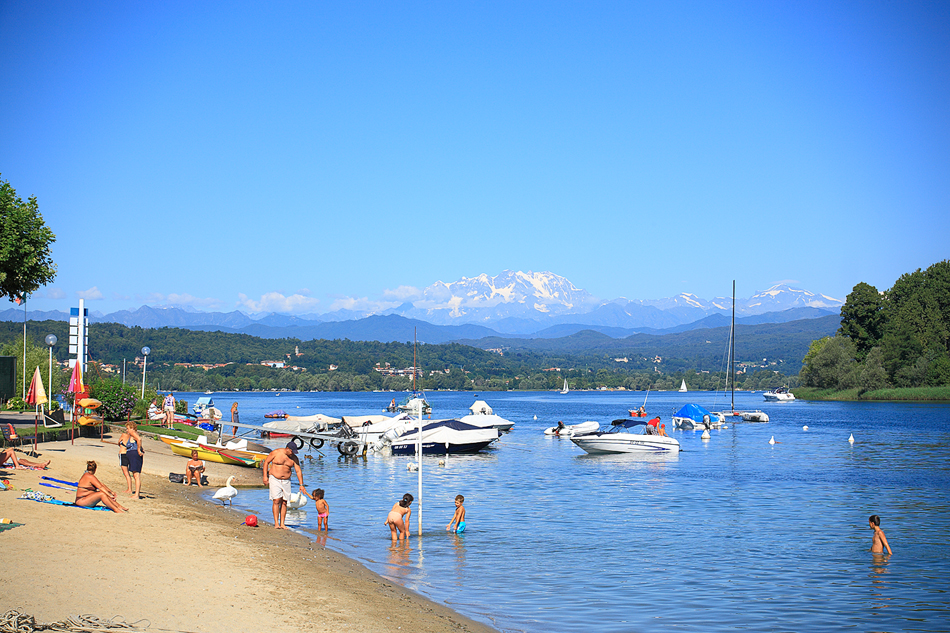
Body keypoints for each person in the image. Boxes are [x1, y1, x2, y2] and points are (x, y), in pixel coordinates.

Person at [262, 442, 307, 530]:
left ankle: (282, 523)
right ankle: (276, 523)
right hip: (274, 478)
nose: (293, 453)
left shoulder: (294, 458)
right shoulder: (276, 453)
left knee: (284, 502)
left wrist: (301, 484)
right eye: (292, 451)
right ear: (287, 449)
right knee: (276, 500)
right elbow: (266, 462)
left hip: (286, 480)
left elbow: (298, 471)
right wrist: (265, 476)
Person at [124, 421, 144, 498]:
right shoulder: (132, 435)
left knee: (136, 475)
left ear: (132, 428)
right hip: (133, 455)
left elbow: (139, 439)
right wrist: (141, 448)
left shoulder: (133, 433)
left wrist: (139, 449)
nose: (127, 430)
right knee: (135, 474)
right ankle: (136, 493)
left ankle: (137, 494)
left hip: (134, 455)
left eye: (128, 428)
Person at [118, 425, 133, 494]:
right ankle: (130, 488)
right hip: (129, 454)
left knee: (126, 473)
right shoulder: (133, 437)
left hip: (123, 453)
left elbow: (118, 442)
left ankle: (129, 489)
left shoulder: (124, 435)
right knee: (130, 473)